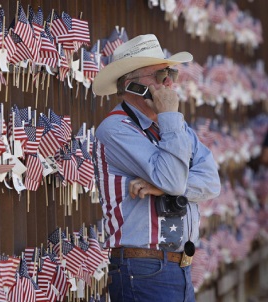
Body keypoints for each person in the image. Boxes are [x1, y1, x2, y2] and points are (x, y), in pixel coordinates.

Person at [92, 34, 221, 302]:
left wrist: (160, 189)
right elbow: (173, 181)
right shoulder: (116, 129)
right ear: (133, 86)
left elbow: (211, 182)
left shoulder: (175, 127)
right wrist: (170, 117)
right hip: (143, 269)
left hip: (180, 266)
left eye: (170, 72)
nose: (168, 82)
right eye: (159, 75)